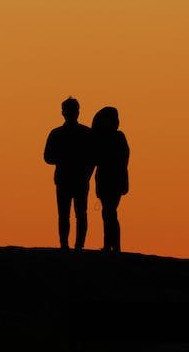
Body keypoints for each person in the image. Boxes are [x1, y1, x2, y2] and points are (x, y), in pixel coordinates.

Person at [43, 97, 95, 250]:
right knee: (69, 214)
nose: (70, 114)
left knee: (77, 214)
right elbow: (47, 157)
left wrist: (86, 174)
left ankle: (75, 245)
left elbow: (93, 158)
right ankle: (68, 245)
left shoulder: (82, 133)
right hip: (67, 180)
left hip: (76, 179)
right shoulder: (81, 133)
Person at [92, 106, 130, 253]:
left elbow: (121, 160)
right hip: (106, 181)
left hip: (114, 182)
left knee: (109, 212)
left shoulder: (118, 137)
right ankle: (111, 245)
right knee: (108, 212)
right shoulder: (107, 138)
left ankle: (113, 245)